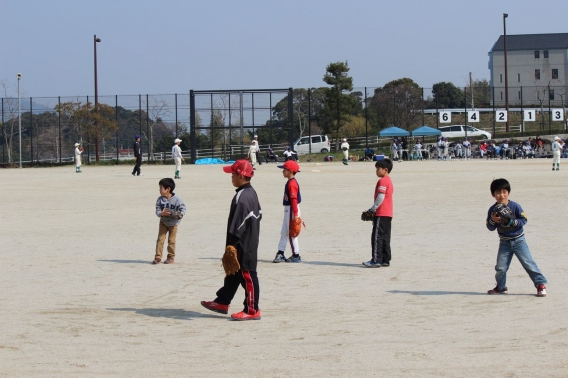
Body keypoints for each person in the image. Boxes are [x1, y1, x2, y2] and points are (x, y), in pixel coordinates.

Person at [201, 160, 262, 320]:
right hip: (249, 239)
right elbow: (259, 215)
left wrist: (232, 245)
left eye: (233, 174)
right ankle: (223, 301)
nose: (231, 177)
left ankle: (252, 309)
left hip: (244, 243)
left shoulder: (242, 197)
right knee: (233, 273)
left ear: (241, 176)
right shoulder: (251, 192)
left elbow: (238, 224)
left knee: (248, 275)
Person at [486, 178, 547, 297]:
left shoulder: (515, 206)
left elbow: (524, 219)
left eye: (504, 192)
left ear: (508, 192)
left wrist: (513, 222)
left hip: (519, 241)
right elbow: (490, 227)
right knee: (500, 268)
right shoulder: (492, 210)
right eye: (498, 192)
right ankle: (501, 287)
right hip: (504, 242)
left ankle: (541, 284)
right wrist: (493, 220)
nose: (501, 195)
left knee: (528, 264)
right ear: (493, 194)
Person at [362, 158, 394, 268]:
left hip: (381, 212)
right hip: (388, 213)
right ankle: (385, 259)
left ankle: (376, 260)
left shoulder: (383, 181)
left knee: (376, 237)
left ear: (385, 170)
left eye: (378, 169)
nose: (376, 171)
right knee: (385, 236)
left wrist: (372, 209)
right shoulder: (389, 180)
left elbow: (381, 196)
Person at [273, 160, 302, 263]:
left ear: (290, 171)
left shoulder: (292, 184)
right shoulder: (290, 182)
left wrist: (296, 215)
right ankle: (280, 253)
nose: (282, 171)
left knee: (291, 233)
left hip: (291, 209)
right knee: (284, 232)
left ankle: (296, 255)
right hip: (289, 209)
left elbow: (294, 200)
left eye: (284, 170)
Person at [153, 178, 186, 265]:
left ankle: (171, 257)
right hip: (163, 222)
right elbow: (157, 210)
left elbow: (183, 208)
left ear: (168, 189)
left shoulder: (177, 199)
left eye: (161, 188)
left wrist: (180, 214)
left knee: (171, 241)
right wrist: (161, 213)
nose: (159, 190)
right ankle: (158, 257)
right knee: (160, 239)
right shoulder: (160, 199)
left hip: (173, 224)